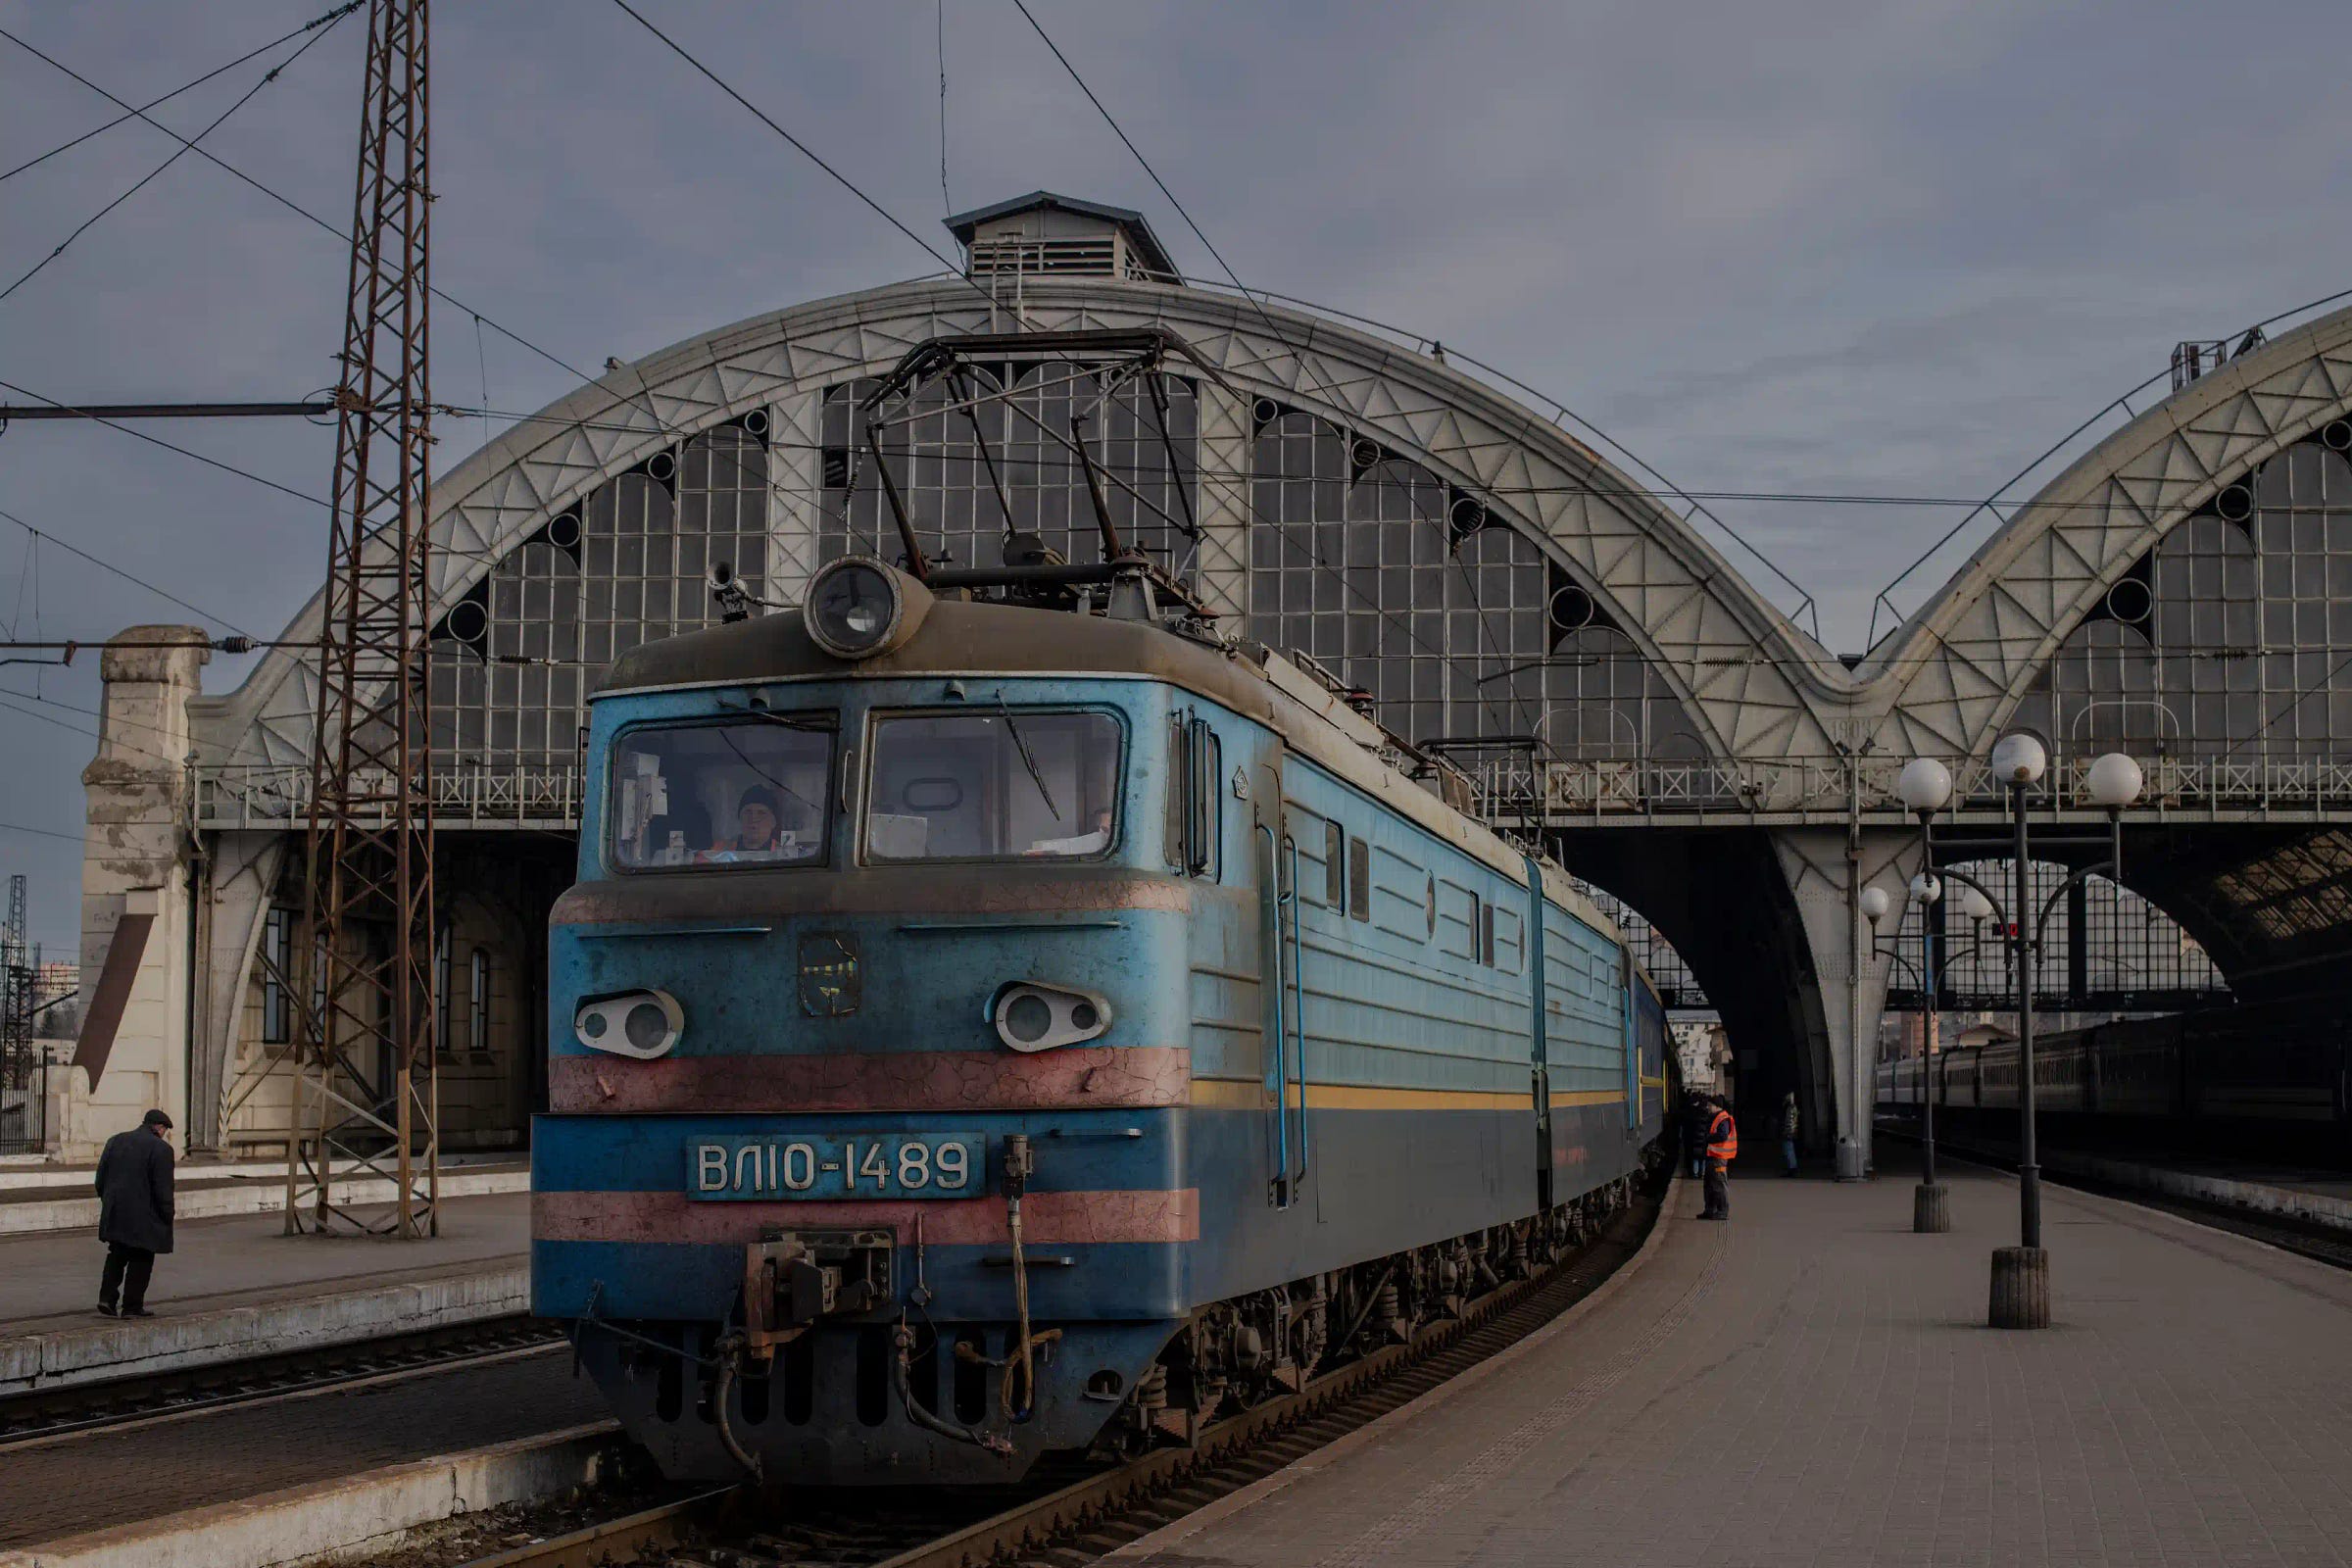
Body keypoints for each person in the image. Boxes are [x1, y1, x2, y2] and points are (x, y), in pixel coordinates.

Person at [95, 1108, 174, 1317]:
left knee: (117, 1254)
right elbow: (163, 1188)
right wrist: (167, 1214)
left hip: (116, 1211)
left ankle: (106, 1299)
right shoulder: (161, 1149)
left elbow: (100, 1180)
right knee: (142, 1256)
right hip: (144, 1216)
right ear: (159, 1127)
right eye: (165, 1129)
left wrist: (110, 1202)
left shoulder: (115, 1141)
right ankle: (131, 1306)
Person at [697, 787, 798, 863]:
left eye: (761, 813)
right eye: (748, 812)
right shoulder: (721, 850)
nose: (753, 819)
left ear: (773, 822)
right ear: (740, 818)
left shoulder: (785, 854)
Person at [1698, 1097, 1738, 1221]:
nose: (1708, 1108)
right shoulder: (1716, 1118)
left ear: (1717, 1106)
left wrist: (1708, 1138)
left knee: (1719, 1185)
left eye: (1710, 1106)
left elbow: (1722, 1135)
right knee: (1709, 1185)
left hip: (1718, 1158)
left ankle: (1722, 1211)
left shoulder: (1723, 1119)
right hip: (1712, 1157)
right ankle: (1710, 1210)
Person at [1781, 1091, 1801, 1176]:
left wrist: (1788, 1132)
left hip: (1789, 1132)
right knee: (1788, 1149)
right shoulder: (1793, 1108)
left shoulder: (1791, 1108)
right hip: (1791, 1132)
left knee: (1788, 1150)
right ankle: (1791, 1167)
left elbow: (1790, 1121)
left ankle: (1792, 1168)